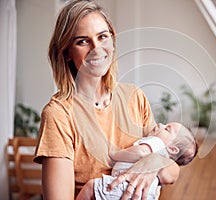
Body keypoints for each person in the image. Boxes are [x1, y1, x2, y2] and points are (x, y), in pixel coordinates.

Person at [33, 0, 184, 199]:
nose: (96, 48)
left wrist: (154, 164)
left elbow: (173, 170)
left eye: (102, 37)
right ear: (67, 52)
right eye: (82, 41)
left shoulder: (134, 97)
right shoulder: (59, 115)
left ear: (112, 41)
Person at [77, 122, 198, 200]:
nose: (160, 124)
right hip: (142, 194)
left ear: (172, 148)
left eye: (167, 129)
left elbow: (141, 152)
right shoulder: (163, 152)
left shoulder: (157, 143)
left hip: (126, 187)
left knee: (90, 187)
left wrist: (115, 154)